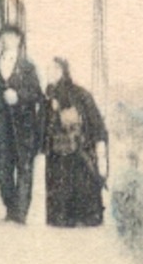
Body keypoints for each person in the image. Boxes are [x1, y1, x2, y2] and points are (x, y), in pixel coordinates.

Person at [0, 25, 44, 224]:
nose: (8, 41)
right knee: (4, 169)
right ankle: (10, 208)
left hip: (24, 128)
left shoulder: (28, 67)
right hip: (2, 128)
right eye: (4, 38)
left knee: (24, 169)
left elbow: (37, 94)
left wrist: (19, 96)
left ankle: (20, 214)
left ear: (19, 41)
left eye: (12, 38)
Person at [44, 58, 109, 228]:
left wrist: (100, 145)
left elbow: (95, 123)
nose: (49, 73)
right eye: (48, 70)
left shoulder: (78, 94)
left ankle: (71, 217)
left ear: (62, 71)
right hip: (61, 152)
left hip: (76, 150)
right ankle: (76, 217)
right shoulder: (49, 96)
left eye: (53, 70)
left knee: (77, 182)